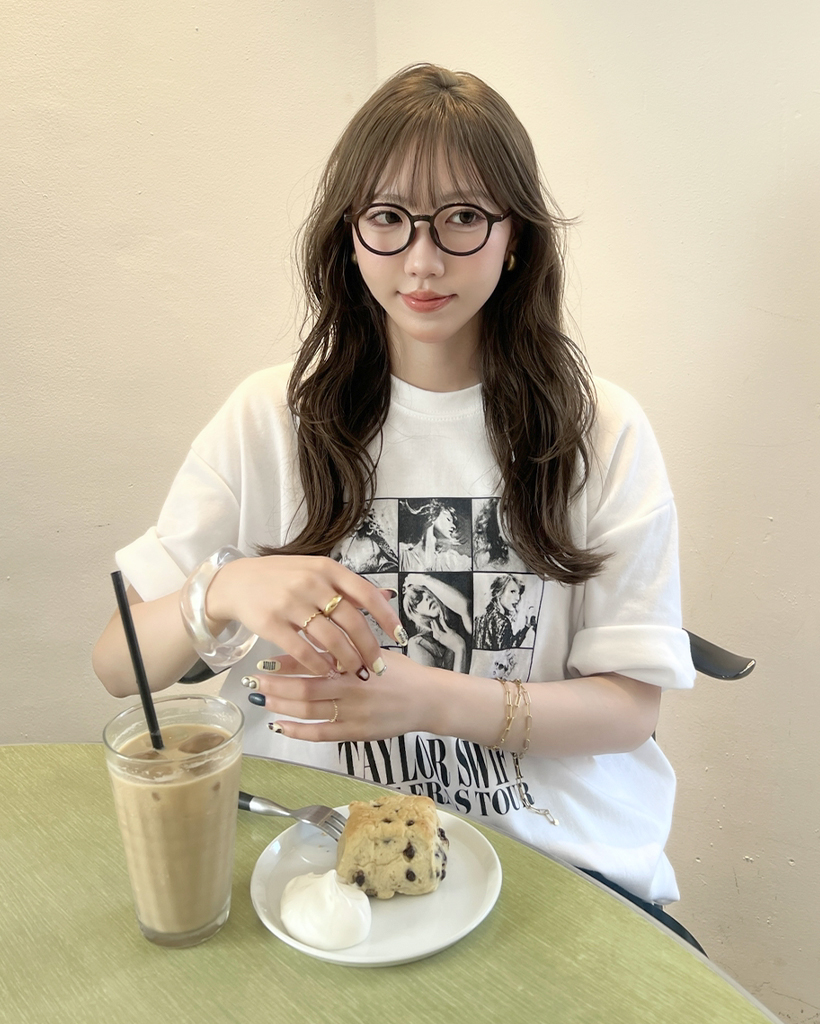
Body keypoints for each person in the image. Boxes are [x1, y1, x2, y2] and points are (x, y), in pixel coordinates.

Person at [93, 64, 701, 949]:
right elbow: (118, 665)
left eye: (462, 217)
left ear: (516, 236)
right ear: (350, 234)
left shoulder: (601, 428)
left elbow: (629, 712)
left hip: (550, 856)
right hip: (303, 856)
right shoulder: (270, 415)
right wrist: (222, 588)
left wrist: (430, 700)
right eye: (387, 218)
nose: (422, 261)